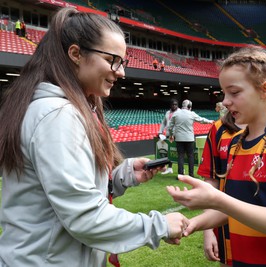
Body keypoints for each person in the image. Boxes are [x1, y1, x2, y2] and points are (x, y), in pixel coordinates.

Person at [0, 8, 189, 267]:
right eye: (113, 59)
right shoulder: (57, 115)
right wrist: (159, 226)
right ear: (76, 54)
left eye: (123, 62)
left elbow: (66, 192)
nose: (121, 72)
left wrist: (122, 175)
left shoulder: (63, 109)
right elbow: (83, 216)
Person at [167, 46, 266, 266]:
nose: (225, 101)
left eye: (234, 92)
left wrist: (217, 199)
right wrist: (194, 224)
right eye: (224, 93)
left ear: (264, 90)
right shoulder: (237, 143)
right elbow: (239, 207)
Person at [197, 112, 243, 266]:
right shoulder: (218, 129)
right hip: (225, 227)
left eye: (235, 92)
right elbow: (211, 182)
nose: (226, 100)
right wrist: (208, 230)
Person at [168, 99, 213, 177]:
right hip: (189, 138)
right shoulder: (192, 114)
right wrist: (210, 121)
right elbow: (201, 120)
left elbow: (170, 126)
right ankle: (191, 174)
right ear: (189, 106)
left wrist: (171, 135)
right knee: (190, 156)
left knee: (180, 156)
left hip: (179, 138)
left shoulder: (176, 114)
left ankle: (180, 175)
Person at [158, 98, 179, 175]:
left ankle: (181, 169)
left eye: (176, 104)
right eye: (173, 104)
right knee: (169, 152)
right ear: (170, 105)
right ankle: (169, 168)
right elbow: (163, 123)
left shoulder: (180, 112)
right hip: (167, 134)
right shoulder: (167, 113)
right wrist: (160, 131)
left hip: (176, 135)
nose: (174, 106)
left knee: (177, 152)